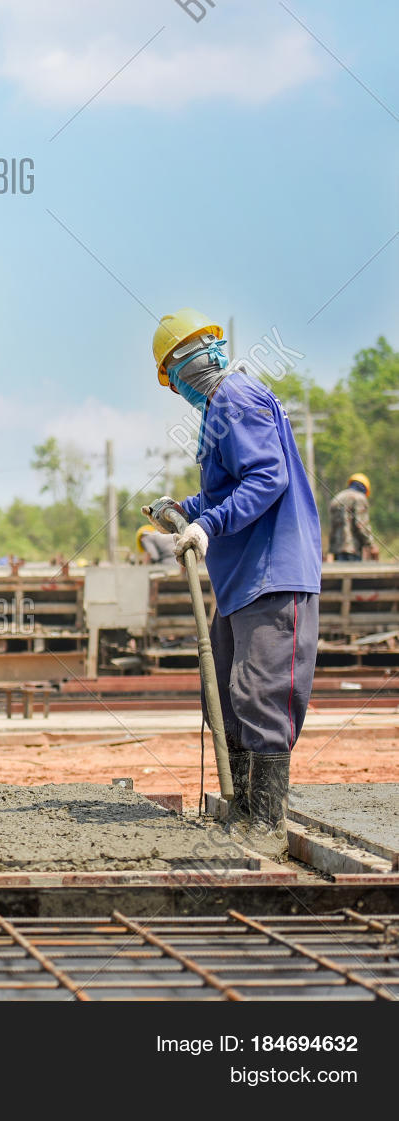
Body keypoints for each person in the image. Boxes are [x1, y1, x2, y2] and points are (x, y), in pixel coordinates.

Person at [146, 308, 321, 849]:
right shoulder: (223, 407)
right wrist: (188, 510)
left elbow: (267, 477)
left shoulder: (235, 397)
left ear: (179, 371)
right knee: (226, 694)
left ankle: (264, 822)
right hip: (243, 578)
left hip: (272, 571)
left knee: (259, 692)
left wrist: (208, 524)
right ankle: (243, 811)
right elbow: (228, 490)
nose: (179, 388)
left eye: (174, 377)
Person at [328, 472, 377, 562]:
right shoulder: (359, 498)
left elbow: (333, 527)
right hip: (352, 550)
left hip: (337, 550)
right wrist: (371, 545)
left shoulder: (337, 497)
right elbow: (361, 525)